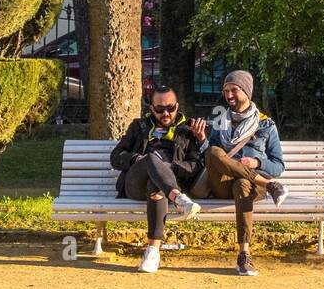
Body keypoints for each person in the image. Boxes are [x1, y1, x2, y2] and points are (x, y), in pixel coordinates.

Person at [189, 69, 287, 277]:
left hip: (251, 188)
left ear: (247, 91)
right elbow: (211, 158)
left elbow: (278, 166)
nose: (229, 95)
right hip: (223, 184)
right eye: (226, 91)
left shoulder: (266, 125)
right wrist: (201, 139)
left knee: (242, 184)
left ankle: (244, 254)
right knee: (213, 151)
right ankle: (271, 186)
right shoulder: (221, 121)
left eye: (234, 90)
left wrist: (257, 162)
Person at [109, 86, 206, 274]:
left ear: (177, 106)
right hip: (135, 183)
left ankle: (152, 252)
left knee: (156, 183)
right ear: (152, 108)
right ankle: (179, 199)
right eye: (160, 109)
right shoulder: (139, 127)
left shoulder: (188, 130)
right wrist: (138, 159)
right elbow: (116, 156)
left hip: (165, 184)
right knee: (151, 158)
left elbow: (195, 164)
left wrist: (171, 168)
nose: (166, 113)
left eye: (170, 108)